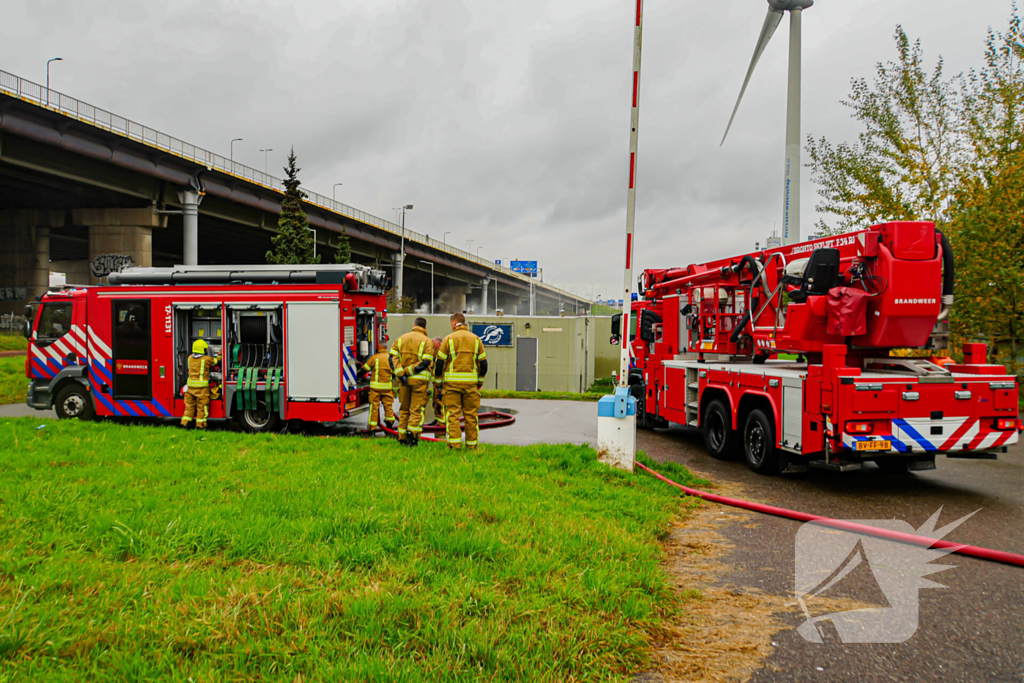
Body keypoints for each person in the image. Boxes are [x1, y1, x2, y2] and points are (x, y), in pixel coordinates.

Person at [435, 312, 488, 449]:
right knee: (471, 415)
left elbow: (440, 364)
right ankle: (472, 446)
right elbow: (484, 364)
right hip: (471, 385)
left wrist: (438, 383)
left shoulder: (448, 339)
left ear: (453, 323)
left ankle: (454, 445)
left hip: (452, 385)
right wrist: (480, 382)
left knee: (453, 415)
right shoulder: (476, 339)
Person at [389, 317, 434, 446]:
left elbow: (392, 358)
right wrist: (409, 371)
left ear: (413, 325)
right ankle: (412, 438)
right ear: (425, 328)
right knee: (416, 409)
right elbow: (425, 362)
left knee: (404, 409)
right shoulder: (427, 341)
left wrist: (401, 373)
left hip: (404, 381)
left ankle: (401, 437)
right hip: (419, 382)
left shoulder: (400, 338)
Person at [181, 339, 219, 430]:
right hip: (201, 389)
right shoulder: (206, 359)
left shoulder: (190, 357)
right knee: (202, 407)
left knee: (189, 407)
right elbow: (216, 361)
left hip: (190, 388)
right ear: (203, 349)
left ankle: (185, 423)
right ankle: (200, 425)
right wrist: (220, 354)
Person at [360, 344, 395, 434]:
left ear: (378, 347)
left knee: (374, 408)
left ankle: (372, 430)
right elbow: (395, 372)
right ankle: (389, 428)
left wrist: (355, 375)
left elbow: (364, 370)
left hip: (375, 389)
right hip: (387, 388)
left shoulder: (374, 358)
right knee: (388, 407)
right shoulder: (391, 358)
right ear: (386, 347)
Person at [429, 337, 445, 427]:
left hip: (440, 382)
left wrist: (439, 384)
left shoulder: (441, 352)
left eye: (433, 343)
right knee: (435, 402)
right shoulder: (435, 352)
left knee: (439, 402)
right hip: (436, 383)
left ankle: (441, 422)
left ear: (439, 344)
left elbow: (439, 367)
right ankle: (437, 419)